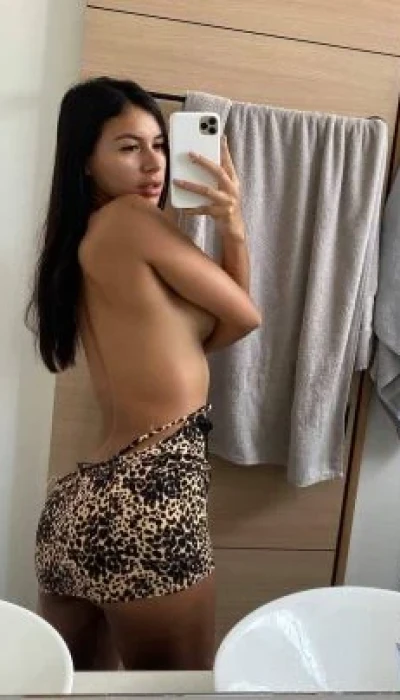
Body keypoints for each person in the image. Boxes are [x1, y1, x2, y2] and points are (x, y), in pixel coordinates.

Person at [26, 76, 261, 671]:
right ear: (85, 160)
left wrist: (193, 345)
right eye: (129, 147)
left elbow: (203, 335)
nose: (154, 164)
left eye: (160, 145)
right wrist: (232, 225)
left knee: (72, 688)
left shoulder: (85, 240)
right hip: (150, 501)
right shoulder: (132, 219)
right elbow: (244, 314)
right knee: (176, 689)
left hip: (78, 507)